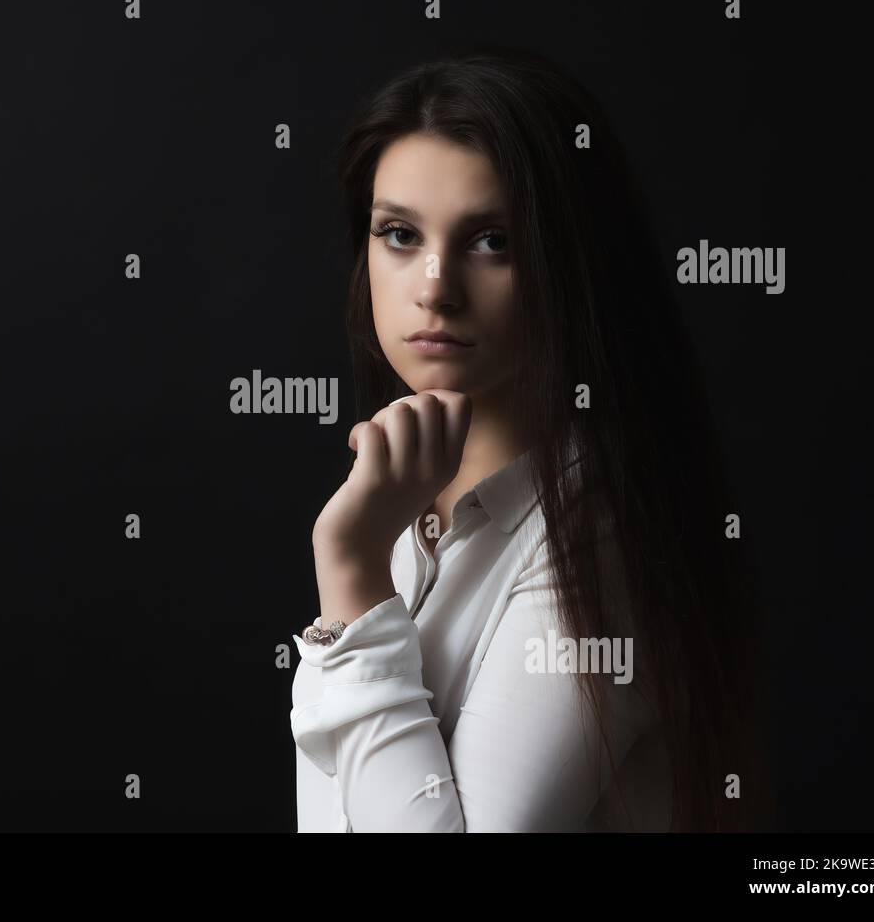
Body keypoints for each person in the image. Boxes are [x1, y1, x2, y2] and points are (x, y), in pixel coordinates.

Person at [290, 48, 771, 832]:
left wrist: (350, 573)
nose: (435, 284)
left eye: (492, 241)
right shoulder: (404, 512)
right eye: (400, 234)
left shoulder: (602, 532)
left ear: (568, 262)